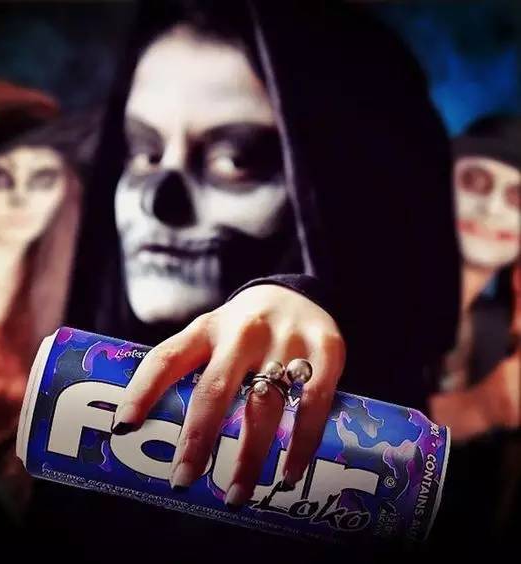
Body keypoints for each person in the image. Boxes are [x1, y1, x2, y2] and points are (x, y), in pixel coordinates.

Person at [33, 1, 459, 561]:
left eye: (236, 160)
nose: (158, 202)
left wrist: (298, 298)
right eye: (144, 152)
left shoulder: (394, 454)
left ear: (341, 184)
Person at [0, 92, 94, 537]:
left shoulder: (69, 287)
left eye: (42, 179)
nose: (20, 199)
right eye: (1, 177)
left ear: (65, 186)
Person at [428, 116, 521, 548]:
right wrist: (482, 408)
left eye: (517, 197)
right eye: (476, 182)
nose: (493, 209)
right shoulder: (370, 296)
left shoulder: (498, 328)